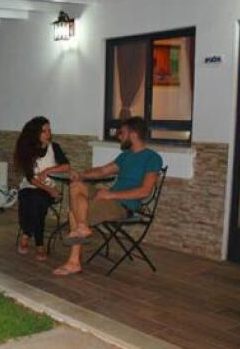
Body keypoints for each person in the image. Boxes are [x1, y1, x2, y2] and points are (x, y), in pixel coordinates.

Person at [53, 116, 162, 276]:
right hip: (110, 198)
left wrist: (110, 195)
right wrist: (81, 175)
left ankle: (74, 262)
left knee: (74, 212)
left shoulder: (152, 158)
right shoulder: (125, 155)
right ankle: (83, 226)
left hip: (124, 205)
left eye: (122, 133)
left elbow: (144, 191)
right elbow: (103, 171)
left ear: (133, 134)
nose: (119, 136)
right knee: (76, 185)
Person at [13, 116, 71, 261]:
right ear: (36, 133)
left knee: (37, 200)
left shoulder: (54, 147)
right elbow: (30, 178)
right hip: (30, 187)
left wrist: (48, 171)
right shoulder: (27, 149)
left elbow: (66, 166)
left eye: (49, 130)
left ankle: (26, 234)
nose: (48, 133)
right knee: (33, 199)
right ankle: (39, 244)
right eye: (44, 131)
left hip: (48, 190)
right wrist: (49, 190)